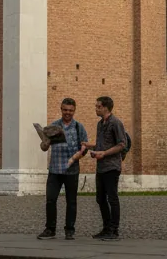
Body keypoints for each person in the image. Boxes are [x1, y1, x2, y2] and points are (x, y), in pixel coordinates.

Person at [38, 98, 88, 241]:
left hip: (71, 170)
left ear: (74, 111)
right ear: (61, 109)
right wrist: (45, 143)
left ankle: (70, 230)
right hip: (55, 169)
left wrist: (80, 153)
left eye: (70, 110)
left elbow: (84, 147)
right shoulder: (53, 126)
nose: (67, 113)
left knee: (71, 201)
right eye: (65, 110)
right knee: (50, 200)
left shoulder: (79, 127)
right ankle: (50, 229)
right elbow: (43, 148)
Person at [84, 96, 127, 241]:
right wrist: (92, 148)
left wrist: (104, 153)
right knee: (100, 199)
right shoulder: (99, 124)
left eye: (98, 106)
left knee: (112, 198)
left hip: (112, 167)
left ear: (106, 108)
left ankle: (114, 230)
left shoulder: (116, 123)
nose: (96, 109)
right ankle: (106, 228)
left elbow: (122, 144)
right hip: (101, 167)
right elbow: (101, 145)